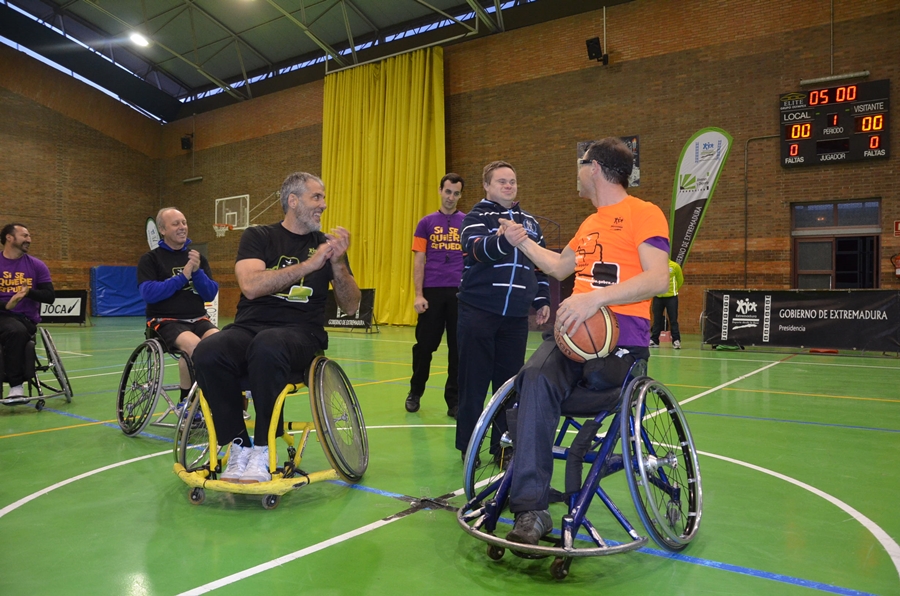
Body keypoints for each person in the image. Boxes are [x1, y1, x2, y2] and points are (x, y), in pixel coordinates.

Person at [497, 138, 670, 545]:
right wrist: (521, 241)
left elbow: (658, 278)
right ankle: (532, 511)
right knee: (533, 377)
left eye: (580, 164)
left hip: (620, 340)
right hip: (573, 338)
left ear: (594, 168)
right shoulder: (590, 223)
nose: (576, 171)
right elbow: (559, 267)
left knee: (592, 380)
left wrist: (595, 297)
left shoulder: (644, 213)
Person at [192, 172, 360, 484]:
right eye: (317, 197)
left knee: (268, 344)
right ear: (293, 201)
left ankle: (261, 448)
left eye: (323, 197)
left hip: (301, 336)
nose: (323, 204)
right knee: (208, 350)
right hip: (251, 328)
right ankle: (239, 445)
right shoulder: (258, 237)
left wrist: (336, 264)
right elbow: (251, 286)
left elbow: (351, 306)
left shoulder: (326, 246)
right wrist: (310, 265)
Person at [455, 161, 551, 461]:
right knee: (474, 383)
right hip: (478, 313)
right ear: (486, 186)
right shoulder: (475, 218)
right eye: (501, 181)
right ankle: (469, 448)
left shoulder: (530, 223)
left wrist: (541, 300)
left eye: (512, 180)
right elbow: (474, 249)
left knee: (510, 385)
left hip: (515, 320)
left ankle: (503, 447)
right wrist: (503, 240)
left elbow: (541, 264)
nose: (509, 186)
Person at [138, 208, 219, 404]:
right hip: (165, 322)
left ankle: (221, 399)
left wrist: (197, 271)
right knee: (195, 347)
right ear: (162, 230)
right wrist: (182, 277)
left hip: (199, 320)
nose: (182, 227)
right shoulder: (150, 259)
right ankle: (189, 404)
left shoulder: (197, 258)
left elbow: (210, 293)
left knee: (223, 344)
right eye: (176, 224)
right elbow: (149, 293)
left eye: (184, 222)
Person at [406, 173, 466, 418]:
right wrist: (418, 294)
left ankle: (454, 401)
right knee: (425, 346)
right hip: (431, 292)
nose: (451, 197)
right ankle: (415, 392)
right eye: (448, 191)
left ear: (460, 195)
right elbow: (419, 260)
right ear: (440, 191)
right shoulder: (426, 223)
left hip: (460, 294)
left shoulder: (467, 222)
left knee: (458, 349)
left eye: (456, 193)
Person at [0, 223, 54, 399]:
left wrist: (28, 292)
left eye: (29, 236)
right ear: (9, 238)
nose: (29, 239)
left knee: (15, 331)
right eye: (24, 235)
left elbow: (49, 296)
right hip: (2, 314)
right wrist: (7, 305)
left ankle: (16, 386)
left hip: (23, 319)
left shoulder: (37, 266)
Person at [650, 259, 684, 349]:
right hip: (658, 297)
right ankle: (654, 340)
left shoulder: (675, 266)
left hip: (671, 297)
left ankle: (676, 340)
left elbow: (680, 280)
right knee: (657, 319)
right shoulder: (656, 266)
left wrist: (673, 291)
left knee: (673, 320)